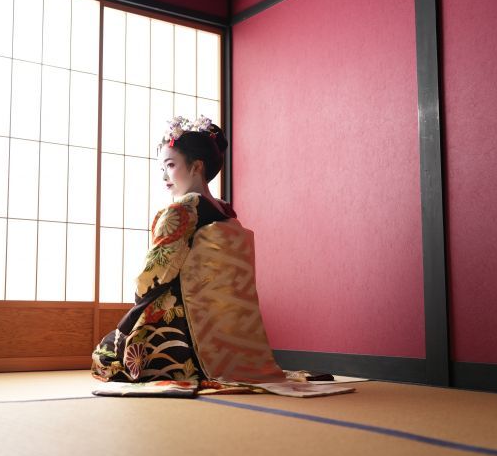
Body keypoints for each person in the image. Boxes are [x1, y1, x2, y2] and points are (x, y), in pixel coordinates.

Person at [90, 115, 355, 398]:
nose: (165, 177)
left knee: (104, 360)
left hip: (180, 327)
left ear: (196, 166)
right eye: (162, 168)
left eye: (170, 165)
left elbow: (156, 275)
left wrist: (131, 317)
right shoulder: (225, 210)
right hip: (227, 331)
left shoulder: (182, 210)